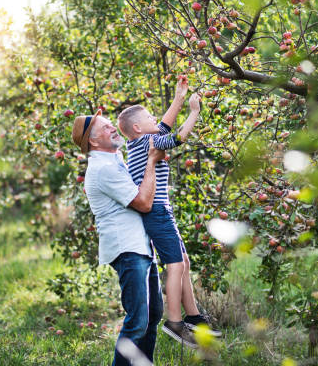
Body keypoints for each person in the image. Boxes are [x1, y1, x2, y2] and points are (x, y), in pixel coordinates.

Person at [117, 76, 221, 348]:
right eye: (150, 116)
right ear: (138, 128)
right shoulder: (148, 143)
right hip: (158, 213)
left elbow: (163, 126)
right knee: (175, 264)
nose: (156, 119)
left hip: (161, 212)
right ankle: (175, 322)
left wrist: (178, 97)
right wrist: (193, 112)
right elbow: (178, 136)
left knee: (183, 261)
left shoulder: (140, 141)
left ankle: (195, 317)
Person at [72, 110, 165, 366]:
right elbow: (144, 203)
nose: (113, 129)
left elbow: (155, 131)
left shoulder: (115, 158)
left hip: (141, 247)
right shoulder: (102, 169)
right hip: (128, 250)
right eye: (106, 127)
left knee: (153, 314)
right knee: (137, 322)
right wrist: (151, 161)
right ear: (92, 141)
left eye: (112, 124)